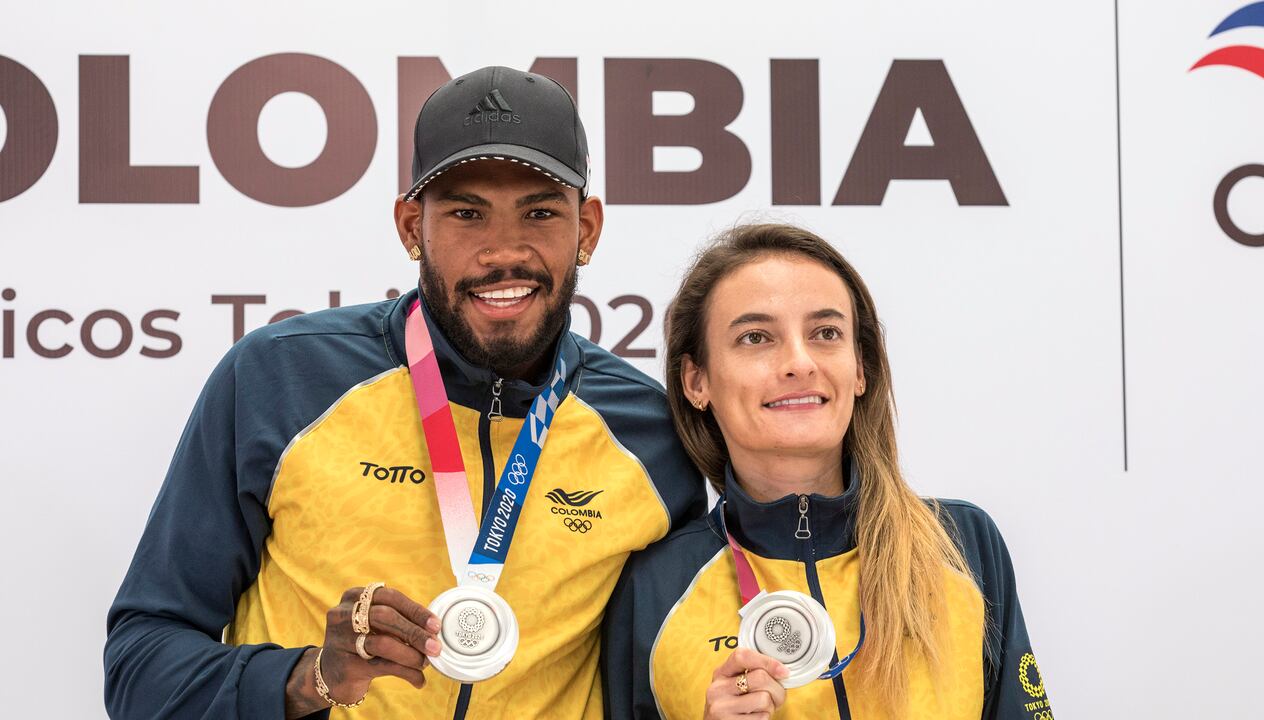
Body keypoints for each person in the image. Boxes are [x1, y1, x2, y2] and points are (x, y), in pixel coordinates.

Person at [104, 66, 705, 719]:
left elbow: (654, 684)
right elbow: (140, 666)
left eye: (539, 211)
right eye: (466, 213)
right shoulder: (278, 380)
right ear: (411, 226)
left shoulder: (648, 430)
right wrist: (310, 676)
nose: (503, 251)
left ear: (586, 229)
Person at [603, 224, 1050, 719]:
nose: (799, 362)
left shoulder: (960, 544)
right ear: (696, 380)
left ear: (860, 368)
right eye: (755, 337)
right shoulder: (654, 586)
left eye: (826, 333)